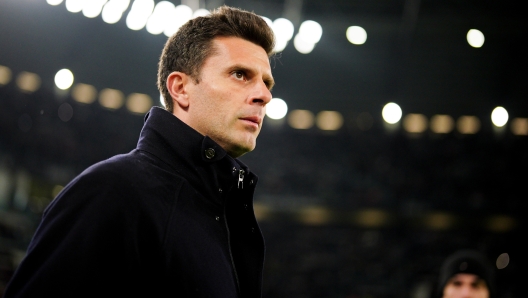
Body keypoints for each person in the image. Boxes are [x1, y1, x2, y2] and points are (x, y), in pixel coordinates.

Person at [4, 5, 275, 298]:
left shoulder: (224, 214)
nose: (265, 95)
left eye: (267, 82)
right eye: (239, 74)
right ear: (180, 88)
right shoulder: (112, 191)